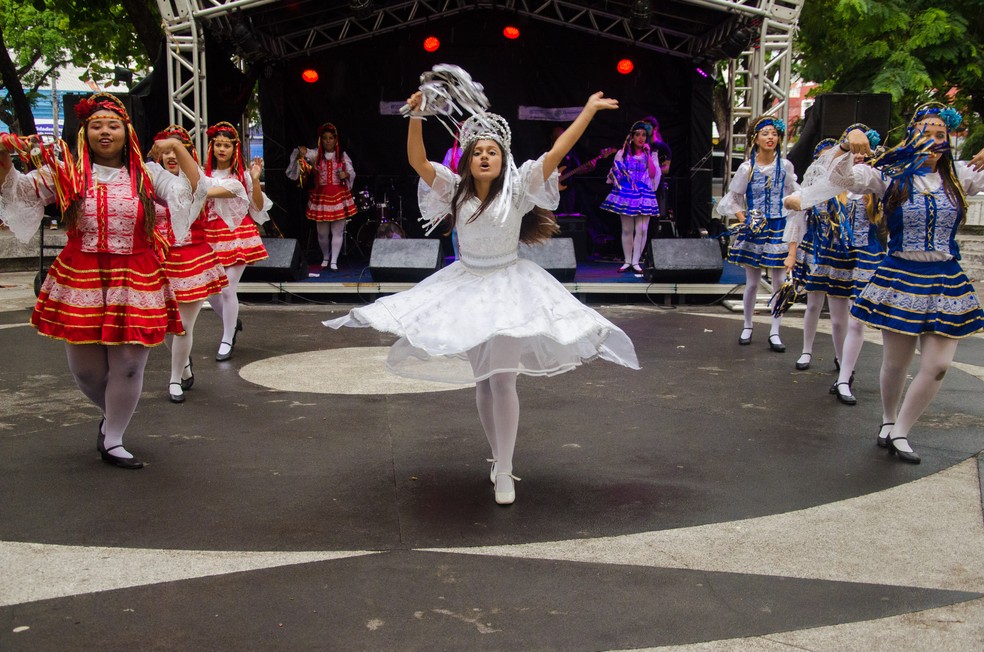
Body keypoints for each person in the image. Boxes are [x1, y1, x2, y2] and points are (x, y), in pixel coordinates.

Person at [325, 89, 640, 506]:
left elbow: (555, 154)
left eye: (493, 151)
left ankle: (506, 469)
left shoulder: (519, 188)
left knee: (504, 378)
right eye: (478, 152)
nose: (486, 157)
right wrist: (416, 116)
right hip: (466, 288)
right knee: (484, 381)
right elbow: (418, 162)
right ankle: (497, 457)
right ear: (468, 160)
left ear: (503, 158)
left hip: (512, 288)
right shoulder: (454, 189)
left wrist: (586, 113)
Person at [0, 93, 204, 468]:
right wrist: (3, 153)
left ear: (127, 132)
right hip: (80, 277)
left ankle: (113, 438)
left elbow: (193, 190)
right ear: (85, 132)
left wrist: (176, 145)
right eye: (96, 126)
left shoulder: (147, 172)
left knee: (128, 364)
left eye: (113, 125)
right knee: (87, 372)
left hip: (135, 276)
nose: (105, 132)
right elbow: (17, 190)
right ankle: (113, 414)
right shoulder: (67, 171)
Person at [801, 103, 984, 462]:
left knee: (937, 365)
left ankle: (901, 430)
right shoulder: (888, 177)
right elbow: (837, 180)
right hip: (900, 276)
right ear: (911, 137)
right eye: (925, 134)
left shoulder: (961, 176)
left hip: (945, 279)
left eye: (940, 136)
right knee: (896, 363)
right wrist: (846, 143)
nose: (933, 142)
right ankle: (887, 420)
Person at [152, 125, 229, 404]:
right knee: (161, 324)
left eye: (178, 149)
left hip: (193, 258)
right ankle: (183, 365)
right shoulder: (148, 181)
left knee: (183, 325)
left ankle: (174, 379)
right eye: (167, 151)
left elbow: (231, 190)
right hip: (158, 260)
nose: (172, 156)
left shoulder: (199, 180)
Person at [717, 115, 801, 352]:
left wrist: (792, 211)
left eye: (774, 134)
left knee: (779, 282)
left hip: (778, 227)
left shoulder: (785, 167)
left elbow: (794, 195)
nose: (771, 138)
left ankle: (775, 331)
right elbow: (732, 199)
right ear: (755, 138)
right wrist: (745, 219)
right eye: (765, 133)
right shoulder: (747, 168)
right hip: (755, 228)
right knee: (752, 283)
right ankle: (747, 325)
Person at [202, 122, 271, 362]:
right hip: (210, 236)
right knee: (211, 291)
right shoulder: (203, 174)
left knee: (227, 287)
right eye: (218, 144)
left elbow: (259, 207)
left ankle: (227, 337)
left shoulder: (241, 175)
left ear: (234, 149)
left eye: (226, 145)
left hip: (238, 234)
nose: (222, 149)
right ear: (212, 147)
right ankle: (232, 321)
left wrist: (254, 179)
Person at [285, 123, 357, 270]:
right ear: (321, 140)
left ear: (336, 140)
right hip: (321, 197)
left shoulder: (342, 156)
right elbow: (299, 153)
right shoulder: (316, 154)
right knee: (322, 233)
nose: (328, 141)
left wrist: (346, 174)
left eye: (331, 138)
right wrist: (300, 151)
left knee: (337, 231)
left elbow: (351, 171)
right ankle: (325, 256)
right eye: (325, 138)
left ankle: (334, 260)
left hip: (339, 195)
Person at [600, 120, 661, 273]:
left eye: (644, 135)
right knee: (627, 228)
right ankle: (627, 261)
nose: (641, 138)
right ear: (632, 137)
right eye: (638, 135)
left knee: (642, 228)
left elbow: (653, 173)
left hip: (643, 192)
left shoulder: (651, 154)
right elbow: (615, 172)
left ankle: (636, 261)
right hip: (627, 192)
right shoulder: (622, 153)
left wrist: (648, 155)